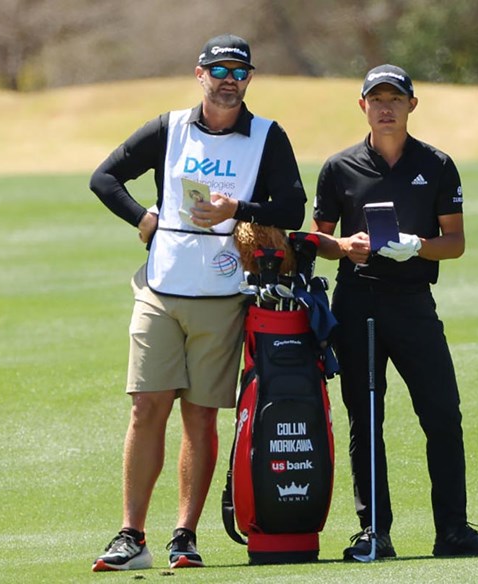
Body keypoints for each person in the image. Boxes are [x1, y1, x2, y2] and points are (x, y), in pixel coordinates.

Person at [89, 34, 306, 571]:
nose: (228, 79)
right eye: (219, 70)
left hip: (224, 294)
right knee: (145, 409)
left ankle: (184, 535)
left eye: (239, 71)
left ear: (249, 79)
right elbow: (104, 178)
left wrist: (242, 208)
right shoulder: (170, 128)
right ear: (200, 74)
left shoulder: (266, 136)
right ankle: (130, 535)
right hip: (162, 288)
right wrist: (143, 217)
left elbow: (295, 208)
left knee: (200, 417)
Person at [311, 64, 478, 560]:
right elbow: (319, 242)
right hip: (357, 303)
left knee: (442, 413)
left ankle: (453, 532)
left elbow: (455, 243)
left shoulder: (436, 164)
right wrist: (345, 244)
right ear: (363, 107)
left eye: (395, 99)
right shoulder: (339, 168)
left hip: (414, 303)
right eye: (377, 99)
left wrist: (418, 246)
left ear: (411, 105)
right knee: (365, 419)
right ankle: (374, 531)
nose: (386, 107)